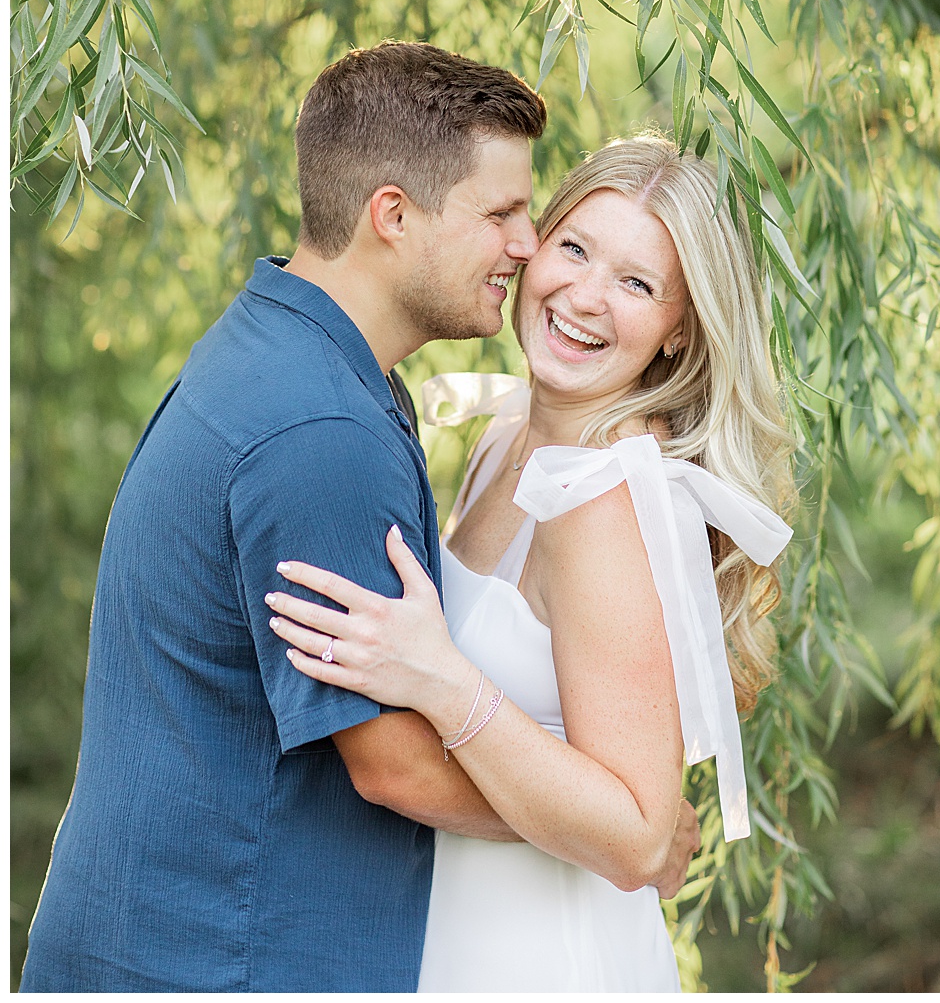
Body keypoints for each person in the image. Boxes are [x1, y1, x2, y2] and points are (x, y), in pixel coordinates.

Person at [22, 42, 591, 990]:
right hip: (217, 963)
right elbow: (393, 767)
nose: (528, 245)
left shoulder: (284, 349)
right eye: (502, 213)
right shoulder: (319, 429)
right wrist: (612, 831)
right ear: (393, 216)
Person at [263, 135, 795, 991]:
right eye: (575, 248)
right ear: (531, 246)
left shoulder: (602, 501)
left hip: (546, 955)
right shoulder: (510, 436)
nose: (584, 296)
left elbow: (635, 837)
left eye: (637, 283)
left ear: (676, 332)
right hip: (456, 926)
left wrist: (441, 680)